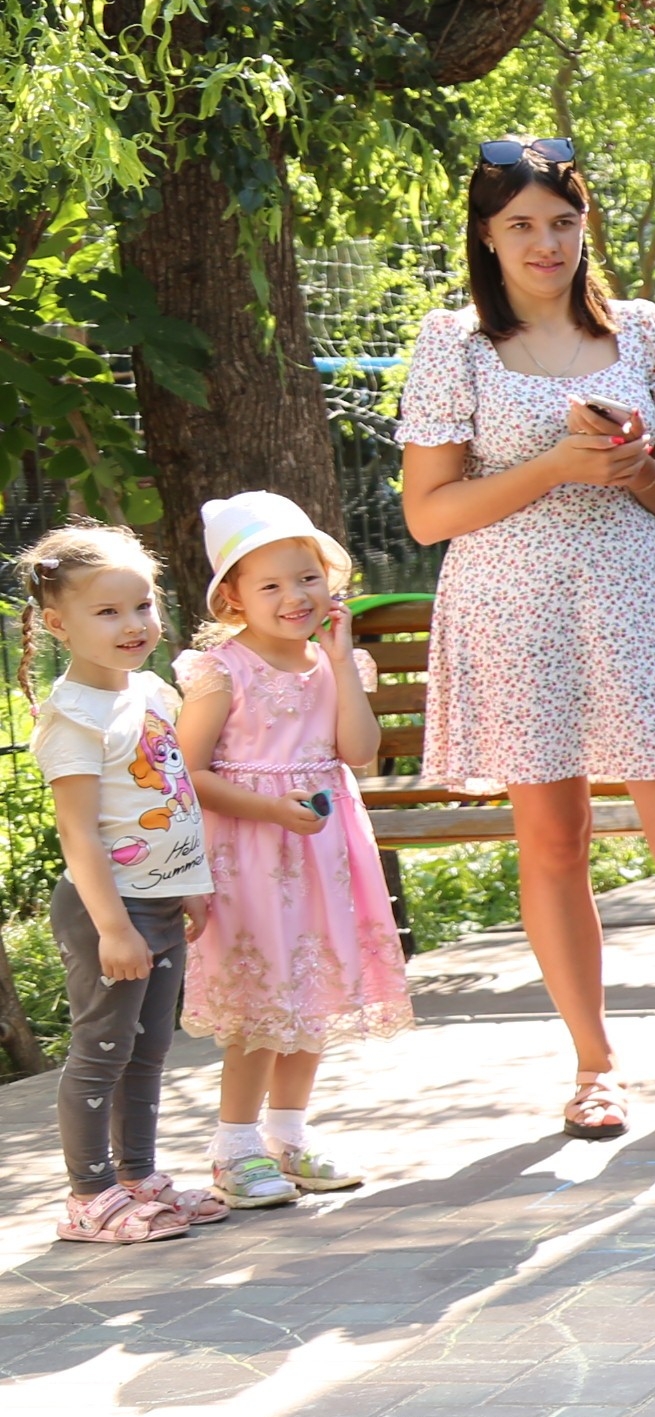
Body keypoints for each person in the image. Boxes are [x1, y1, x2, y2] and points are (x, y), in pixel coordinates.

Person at [393, 138, 655, 1138]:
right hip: (512, 603)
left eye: (563, 223)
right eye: (522, 225)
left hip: (630, 595)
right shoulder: (454, 344)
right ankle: (594, 1068)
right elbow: (429, 515)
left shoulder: (646, 331)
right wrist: (559, 465)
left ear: (586, 227)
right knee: (554, 842)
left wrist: (630, 471)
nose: (547, 244)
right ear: (487, 237)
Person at [172, 494, 410, 1206]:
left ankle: (288, 1133)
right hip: (251, 854)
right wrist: (270, 808)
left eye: (306, 578)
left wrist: (340, 662)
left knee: (313, 991)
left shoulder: (337, 663)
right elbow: (189, 773)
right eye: (269, 585)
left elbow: (360, 753)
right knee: (259, 1003)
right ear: (234, 598)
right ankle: (234, 1148)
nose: (293, 597)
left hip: (324, 854)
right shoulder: (222, 670)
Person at [18, 524, 226, 1244]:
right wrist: (113, 926)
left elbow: (170, 796)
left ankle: (138, 1176)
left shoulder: (153, 693)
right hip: (109, 908)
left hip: (161, 901)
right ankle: (89, 1195)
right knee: (101, 1050)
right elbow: (78, 833)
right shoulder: (71, 717)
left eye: (142, 605)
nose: (133, 624)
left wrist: (189, 883)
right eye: (107, 612)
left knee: (148, 1051)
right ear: (57, 625)